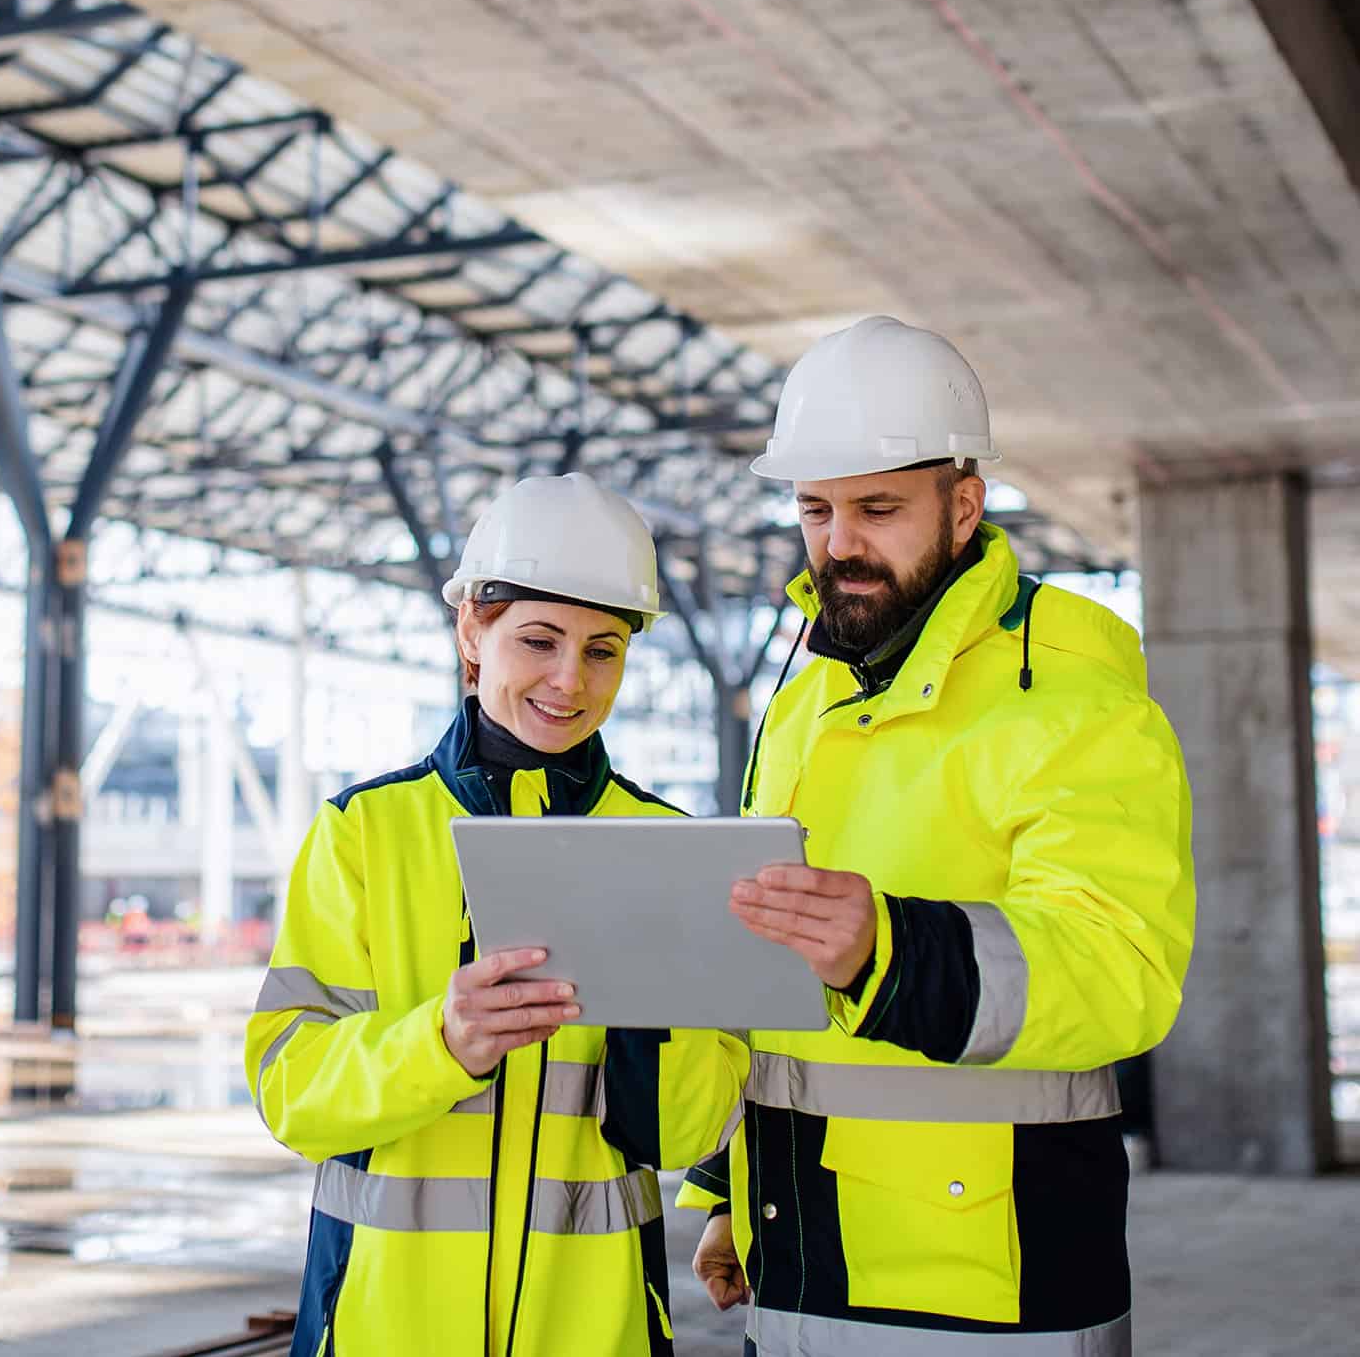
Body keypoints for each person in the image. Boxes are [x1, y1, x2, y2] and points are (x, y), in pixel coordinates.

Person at [681, 316, 1196, 1356]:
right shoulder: (805, 698)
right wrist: (724, 1187)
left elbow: (1118, 971)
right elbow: (772, 986)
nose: (838, 544)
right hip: (793, 1251)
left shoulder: (1071, 702)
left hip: (990, 1278)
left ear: (962, 507)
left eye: (877, 509)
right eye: (814, 511)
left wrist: (887, 948)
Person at [247, 472, 747, 1357]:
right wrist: (437, 1045)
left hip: (596, 1332)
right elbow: (293, 1094)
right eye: (539, 640)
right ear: (471, 631)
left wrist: (648, 1018)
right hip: (381, 1329)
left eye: (602, 650)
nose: (568, 680)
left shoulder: (668, 847)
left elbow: (682, 1134)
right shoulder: (367, 832)